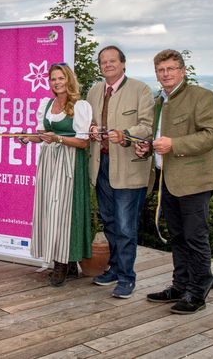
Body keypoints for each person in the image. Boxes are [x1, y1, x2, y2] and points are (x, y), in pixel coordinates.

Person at [137, 49, 213, 314]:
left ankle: (197, 294)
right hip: (167, 182)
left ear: (182, 71)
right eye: (161, 70)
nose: (166, 74)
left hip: (194, 182)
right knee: (177, 237)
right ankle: (180, 286)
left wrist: (174, 144)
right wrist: (148, 149)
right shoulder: (159, 101)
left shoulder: (201, 97)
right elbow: (160, 140)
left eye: (171, 69)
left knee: (195, 239)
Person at [87, 46, 154, 299]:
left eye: (112, 61)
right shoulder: (94, 90)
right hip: (101, 165)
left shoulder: (140, 90)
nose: (108, 65)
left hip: (128, 168)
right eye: (103, 62)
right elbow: (86, 122)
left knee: (126, 226)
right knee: (110, 222)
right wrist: (92, 128)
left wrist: (125, 135)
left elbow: (147, 126)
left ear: (123, 64)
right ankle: (114, 269)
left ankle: (127, 277)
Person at [26, 63, 92, 286]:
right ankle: (68, 262)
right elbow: (43, 134)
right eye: (53, 79)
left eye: (61, 78)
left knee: (64, 211)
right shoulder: (46, 104)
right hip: (49, 162)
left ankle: (62, 263)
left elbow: (83, 142)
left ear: (69, 79)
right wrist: (27, 138)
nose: (56, 82)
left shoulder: (80, 106)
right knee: (49, 210)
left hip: (70, 163)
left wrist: (59, 139)